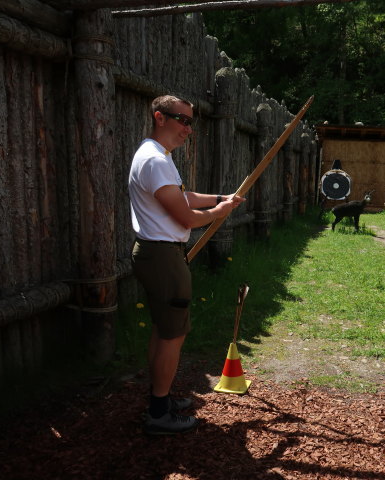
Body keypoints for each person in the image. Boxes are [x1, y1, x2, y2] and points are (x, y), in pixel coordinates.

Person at [129, 95, 245, 435]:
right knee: (173, 335)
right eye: (181, 120)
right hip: (163, 256)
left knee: (164, 331)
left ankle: (159, 400)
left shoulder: (159, 157)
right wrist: (218, 214)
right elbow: (185, 216)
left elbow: (185, 197)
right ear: (159, 117)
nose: (187, 129)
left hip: (160, 254)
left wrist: (221, 198)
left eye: (190, 122)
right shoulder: (154, 160)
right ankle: (158, 413)